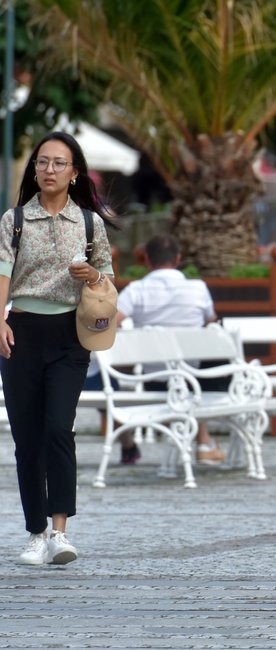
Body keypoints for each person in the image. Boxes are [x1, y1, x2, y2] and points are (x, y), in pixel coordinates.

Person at [0, 131, 116, 565]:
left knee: (57, 429)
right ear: (34, 169)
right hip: (22, 333)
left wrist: (91, 275)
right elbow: (3, 274)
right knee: (27, 439)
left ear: (75, 173)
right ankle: (34, 533)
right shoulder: (14, 220)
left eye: (59, 163)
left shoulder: (90, 223)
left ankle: (59, 532)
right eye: (43, 162)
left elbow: (107, 279)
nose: (49, 170)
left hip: (70, 336)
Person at [113, 233, 224, 465]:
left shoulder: (136, 290)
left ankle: (130, 447)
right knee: (202, 365)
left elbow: (113, 322)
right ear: (178, 258)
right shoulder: (198, 288)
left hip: (153, 377)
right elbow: (212, 323)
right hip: (192, 379)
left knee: (113, 387)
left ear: (147, 260)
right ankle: (204, 442)